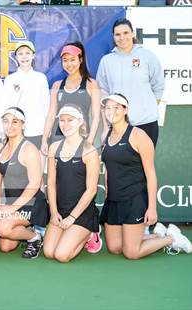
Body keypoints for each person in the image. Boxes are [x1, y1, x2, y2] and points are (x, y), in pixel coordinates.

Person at [101, 94, 191, 259]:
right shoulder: (106, 136)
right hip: (113, 200)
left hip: (134, 199)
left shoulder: (139, 135)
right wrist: (108, 193)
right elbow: (108, 168)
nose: (111, 111)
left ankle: (172, 238)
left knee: (131, 252)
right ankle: (159, 235)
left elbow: (150, 173)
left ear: (125, 110)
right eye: (108, 107)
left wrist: (152, 208)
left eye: (116, 107)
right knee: (114, 248)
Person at [43, 105, 100, 262]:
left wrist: (72, 217)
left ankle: (90, 233)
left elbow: (91, 190)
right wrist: (54, 212)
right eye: (62, 120)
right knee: (48, 252)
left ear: (80, 122)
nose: (65, 124)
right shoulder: (54, 148)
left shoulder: (89, 150)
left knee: (61, 255)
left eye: (70, 120)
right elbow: (51, 183)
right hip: (61, 210)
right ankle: (69, 233)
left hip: (81, 213)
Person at [97, 18, 165, 146]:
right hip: (119, 124)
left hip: (146, 123)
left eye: (126, 33)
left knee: (145, 165)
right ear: (113, 37)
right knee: (119, 165)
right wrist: (109, 117)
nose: (122, 37)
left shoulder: (147, 56)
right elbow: (103, 90)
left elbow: (159, 84)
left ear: (133, 34)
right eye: (118, 34)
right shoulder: (106, 61)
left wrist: (149, 107)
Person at [0, 107, 49, 259]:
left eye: (15, 121)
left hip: (32, 203)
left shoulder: (29, 149)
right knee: (5, 246)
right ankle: (29, 231)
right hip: (12, 202)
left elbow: (34, 184)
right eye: (6, 121)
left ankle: (35, 238)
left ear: (23, 125)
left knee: (2, 227)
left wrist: (12, 209)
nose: (10, 125)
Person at [42, 41, 100, 153]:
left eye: (72, 59)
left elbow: (96, 116)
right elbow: (51, 114)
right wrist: (44, 140)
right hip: (58, 138)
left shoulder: (91, 84)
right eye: (65, 60)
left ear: (81, 60)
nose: (69, 64)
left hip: (81, 138)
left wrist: (90, 140)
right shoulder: (57, 85)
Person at [3, 40, 50, 150]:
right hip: (16, 131)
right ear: (16, 57)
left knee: (38, 165)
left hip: (38, 130)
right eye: (20, 53)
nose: (24, 57)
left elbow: (47, 105)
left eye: (27, 53)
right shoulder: (10, 79)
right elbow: (6, 106)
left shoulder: (41, 78)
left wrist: (47, 130)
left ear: (33, 55)